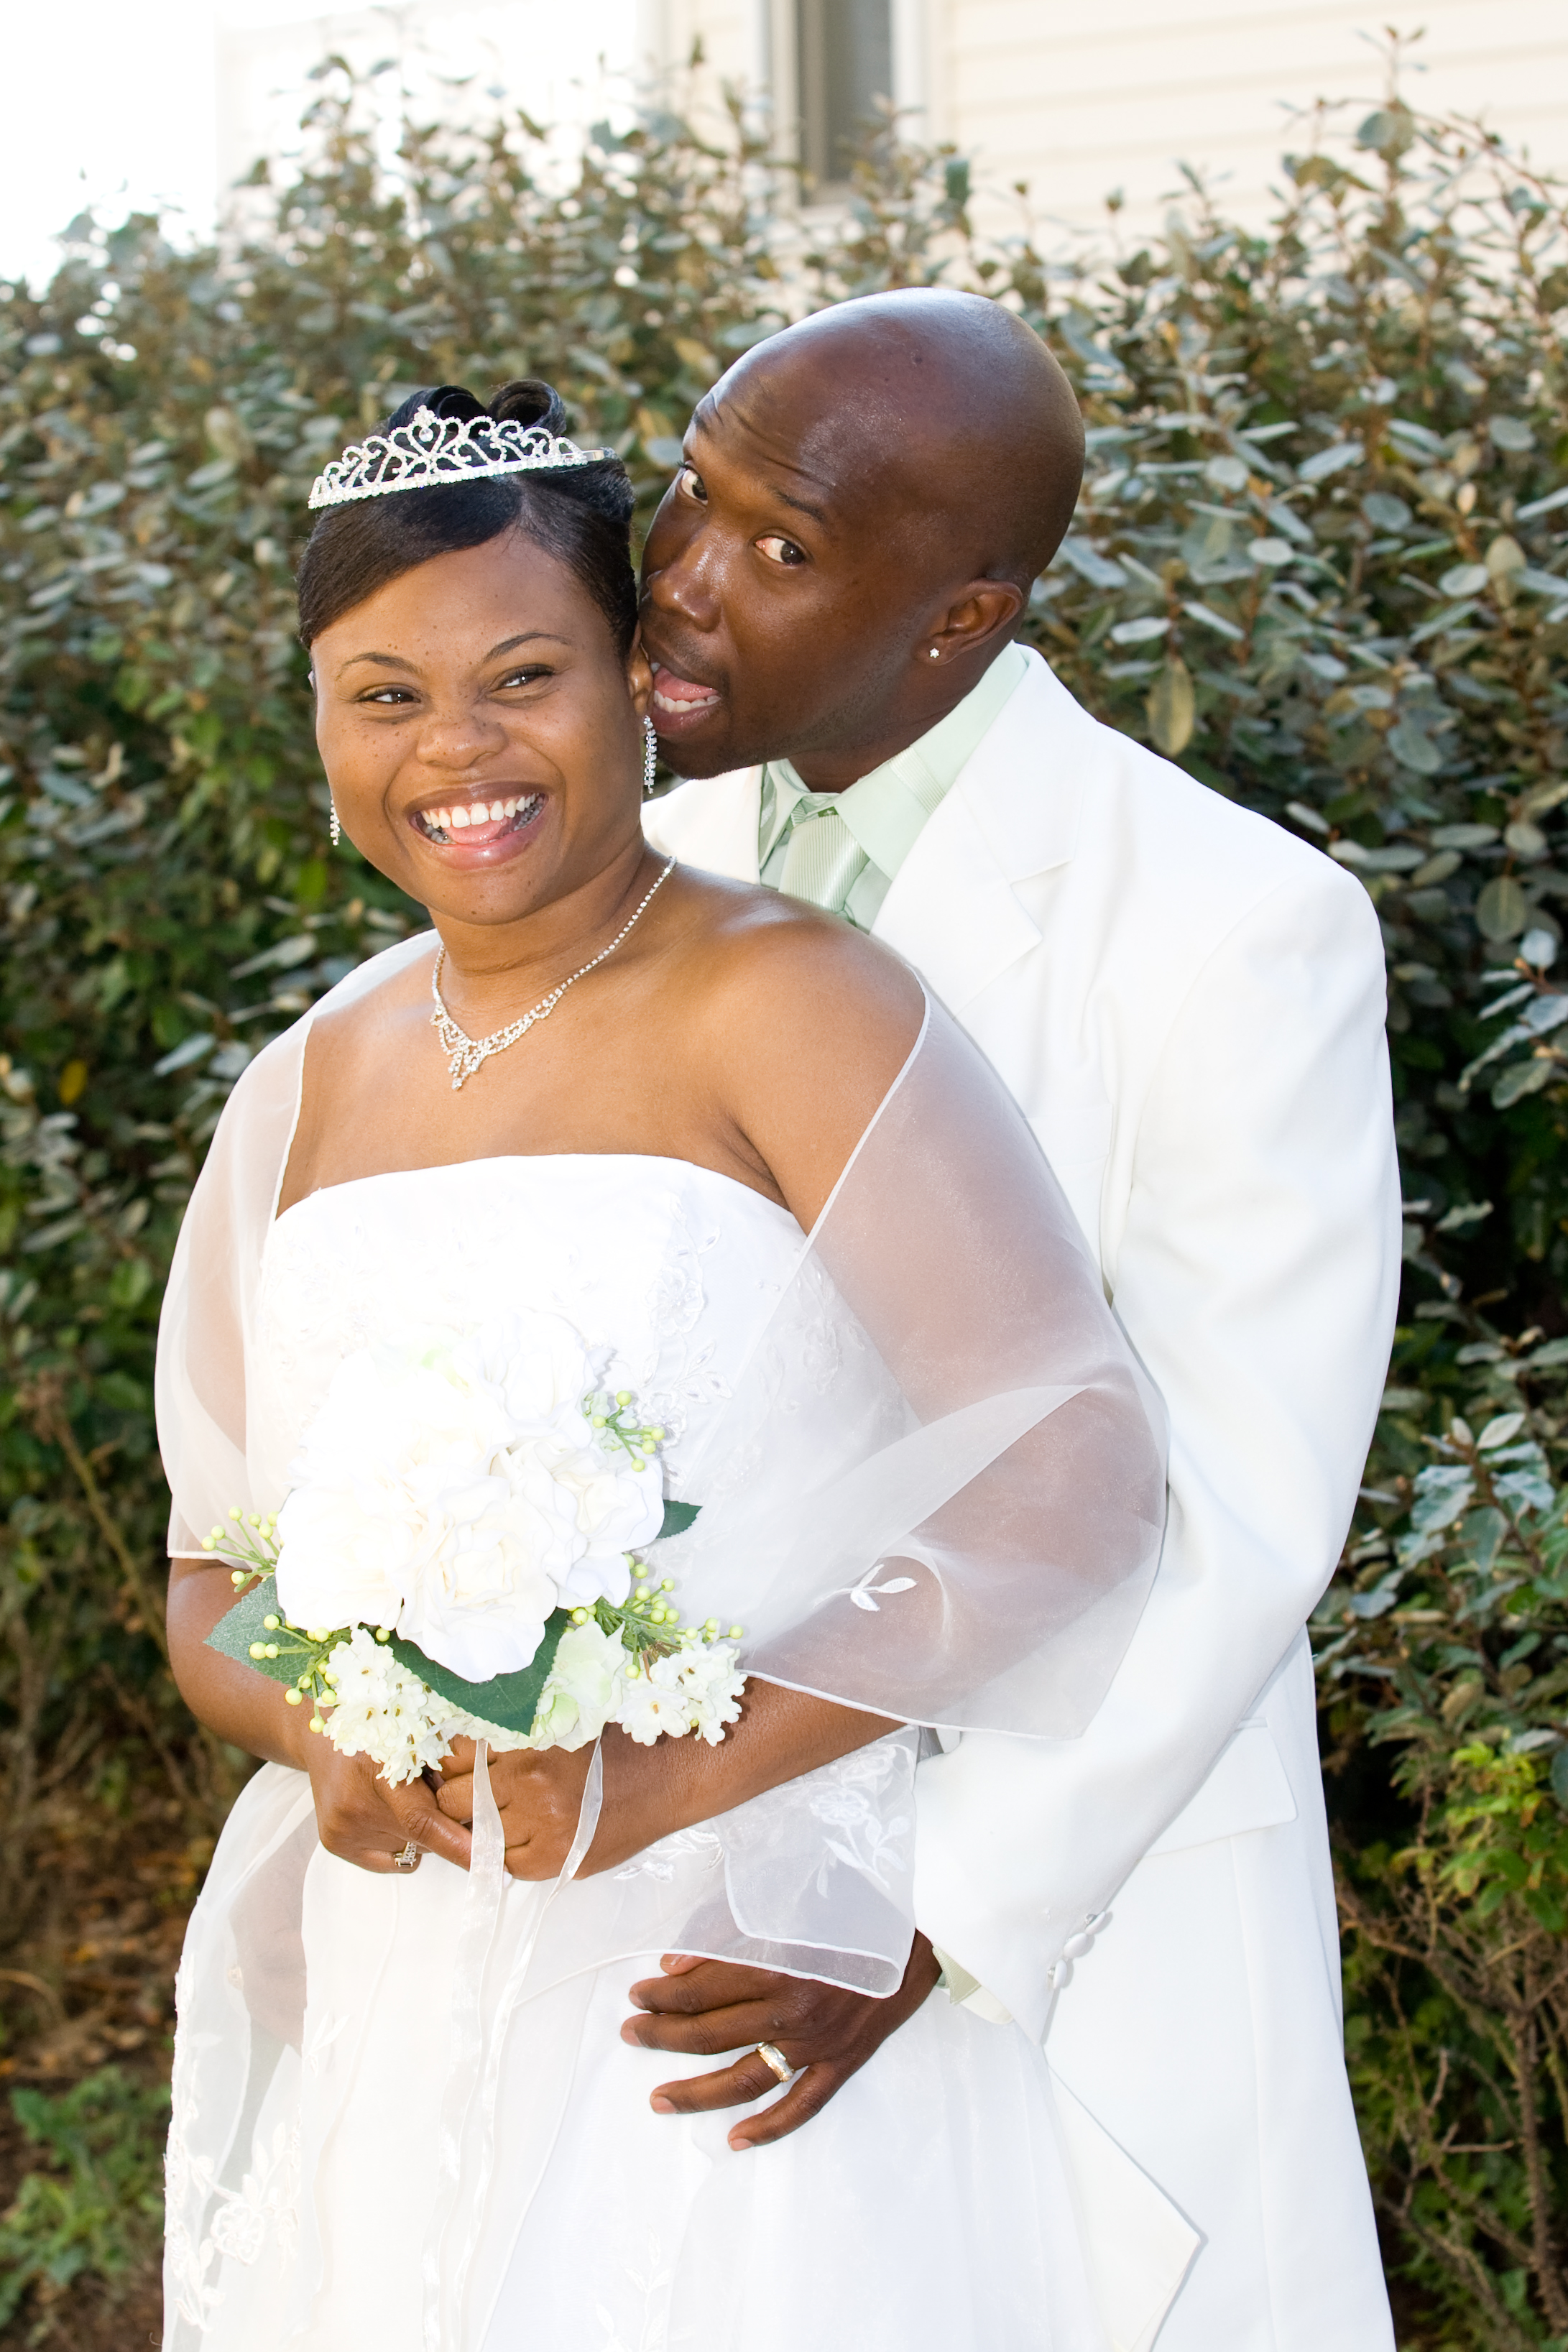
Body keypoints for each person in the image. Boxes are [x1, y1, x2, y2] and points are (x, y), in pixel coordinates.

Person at [155, 379, 1167, 2352]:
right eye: (383, 695)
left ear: (636, 677)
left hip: (721, 1957)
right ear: (319, 722)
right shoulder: (302, 1086)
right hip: (398, 1974)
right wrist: (322, 1730)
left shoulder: (794, 1000)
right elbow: (212, 1580)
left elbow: (1071, 1469)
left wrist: (659, 1777)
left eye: (523, 676)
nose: (457, 751)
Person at [637, 289, 1402, 2352]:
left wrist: (929, 1911)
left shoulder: (1234, 927)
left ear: (959, 619)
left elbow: (1241, 1498)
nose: (681, 580)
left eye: (778, 546)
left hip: (1064, 1916)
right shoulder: (631, 858)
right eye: (687, 493)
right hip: (677, 1875)